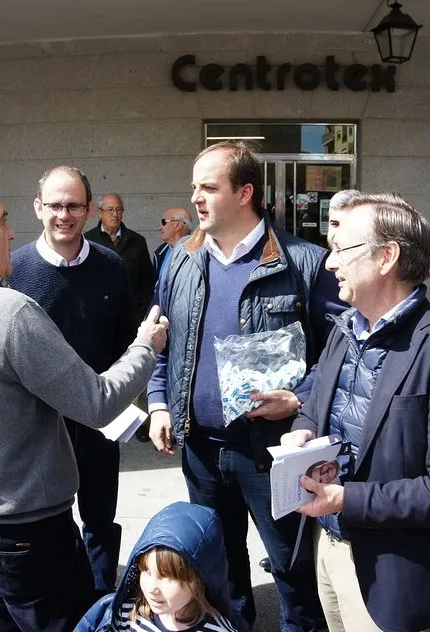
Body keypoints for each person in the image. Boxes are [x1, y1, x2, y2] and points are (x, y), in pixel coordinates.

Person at [0, 182, 168, 631]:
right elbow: (97, 404)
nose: (11, 232)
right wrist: (146, 346)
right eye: (2, 220)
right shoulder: (12, 313)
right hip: (27, 531)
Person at [147, 142, 344, 632]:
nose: (195, 198)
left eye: (208, 187)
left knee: (293, 568)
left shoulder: (305, 263)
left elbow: (340, 353)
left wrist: (299, 398)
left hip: (274, 452)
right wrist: (158, 402)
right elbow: (162, 339)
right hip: (201, 448)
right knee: (219, 567)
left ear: (245, 193)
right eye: (194, 187)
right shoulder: (179, 260)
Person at [281, 191, 430, 632]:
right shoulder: (343, 328)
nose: (329, 263)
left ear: (386, 257)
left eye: (341, 250)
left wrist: (348, 500)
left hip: (392, 571)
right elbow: (315, 406)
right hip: (326, 545)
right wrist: (303, 430)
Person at [8, 166, 139, 597]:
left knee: (100, 517)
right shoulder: (14, 271)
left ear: (90, 209)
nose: (64, 215)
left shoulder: (111, 265)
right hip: (39, 425)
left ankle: (100, 602)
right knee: (48, 521)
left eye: (74, 206)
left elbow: (126, 341)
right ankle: (60, 601)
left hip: (100, 420)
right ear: (38, 207)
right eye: (55, 205)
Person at [77, 502, 248, 632]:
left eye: (167, 577)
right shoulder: (128, 614)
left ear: (200, 579)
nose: (152, 589)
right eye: (146, 571)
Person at [85, 193, 155, 319]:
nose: (115, 214)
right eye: (110, 209)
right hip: (97, 316)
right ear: (100, 213)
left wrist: (140, 311)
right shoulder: (87, 241)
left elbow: (147, 282)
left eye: (118, 209)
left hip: (130, 317)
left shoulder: (137, 241)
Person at [154, 207, 192, 278]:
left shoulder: (197, 251)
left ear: (177, 224)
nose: (160, 228)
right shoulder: (160, 252)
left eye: (163, 222)